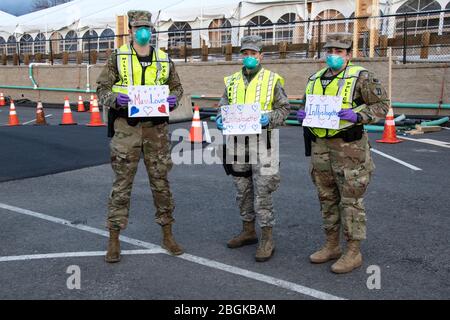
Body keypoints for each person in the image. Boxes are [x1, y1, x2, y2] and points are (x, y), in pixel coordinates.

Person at [96, 10, 184, 263]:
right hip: (127, 128)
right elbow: (101, 88)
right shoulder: (118, 57)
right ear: (131, 30)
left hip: (156, 131)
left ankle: (167, 234)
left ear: (152, 30)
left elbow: (177, 87)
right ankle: (113, 239)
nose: (143, 31)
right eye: (138, 27)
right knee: (122, 185)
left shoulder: (164, 59)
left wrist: (173, 99)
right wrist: (114, 99)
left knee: (161, 184)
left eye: (147, 27)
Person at [298, 32, 389, 273]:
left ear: (349, 55)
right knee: (326, 199)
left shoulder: (362, 77)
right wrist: (303, 114)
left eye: (339, 52)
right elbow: (305, 105)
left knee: (351, 201)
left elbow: (382, 105)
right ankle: (331, 245)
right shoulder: (315, 78)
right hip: (320, 148)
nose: (333, 56)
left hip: (350, 149)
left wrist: (358, 116)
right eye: (329, 51)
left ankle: (353, 251)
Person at [216, 35, 290, 262]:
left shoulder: (272, 80)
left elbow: (285, 109)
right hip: (238, 143)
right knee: (242, 189)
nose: (248, 57)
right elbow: (223, 106)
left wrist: (269, 119)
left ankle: (267, 237)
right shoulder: (232, 81)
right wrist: (220, 117)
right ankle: (248, 230)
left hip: (264, 143)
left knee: (263, 191)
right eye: (245, 54)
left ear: (261, 56)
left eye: (253, 54)